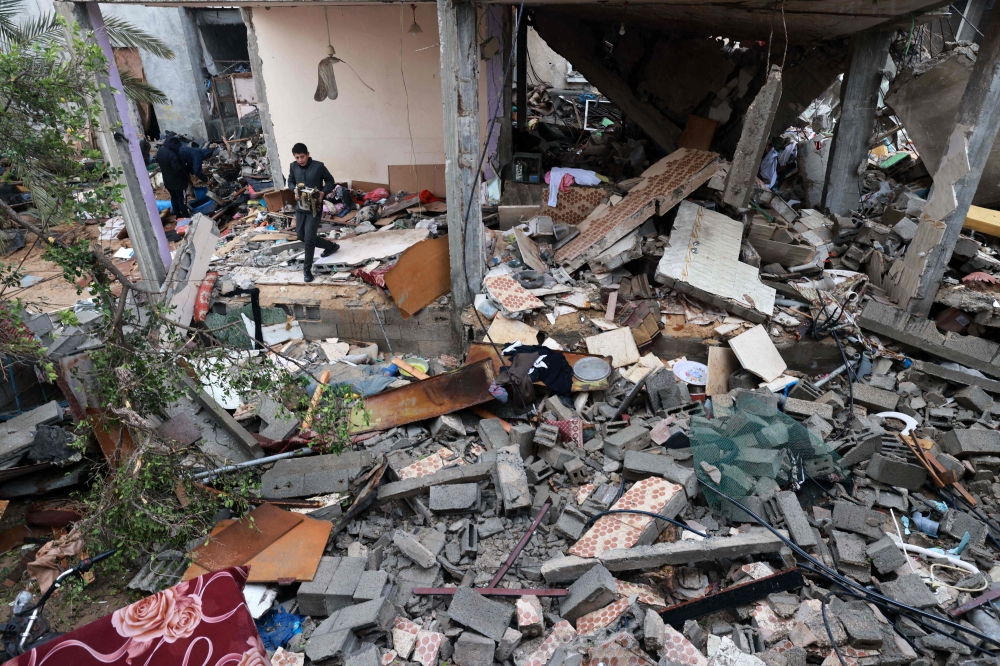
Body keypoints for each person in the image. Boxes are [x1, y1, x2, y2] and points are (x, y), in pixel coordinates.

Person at [287, 143, 339, 282]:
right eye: (297, 157)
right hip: (300, 208)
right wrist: (294, 189)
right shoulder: (293, 166)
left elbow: (330, 181)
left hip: (314, 208)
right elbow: (290, 181)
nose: (300, 160)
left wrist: (323, 192)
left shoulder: (318, 166)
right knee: (301, 236)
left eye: (302, 156)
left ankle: (307, 270)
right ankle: (331, 246)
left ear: (308, 154)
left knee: (309, 238)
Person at [155, 135, 192, 218]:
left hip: (167, 181)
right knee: (181, 200)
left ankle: (178, 215)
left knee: (174, 198)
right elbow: (178, 169)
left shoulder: (160, 151)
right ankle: (186, 216)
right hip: (178, 183)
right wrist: (185, 177)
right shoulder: (173, 155)